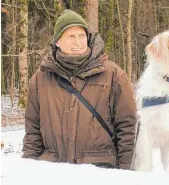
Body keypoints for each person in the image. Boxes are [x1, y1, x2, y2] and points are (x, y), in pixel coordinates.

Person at [22, 9, 138, 170]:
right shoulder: (40, 78)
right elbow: (33, 131)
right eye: (71, 36)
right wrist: (27, 169)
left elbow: (127, 127)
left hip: (100, 169)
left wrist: (126, 173)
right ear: (57, 42)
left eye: (81, 36)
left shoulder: (113, 74)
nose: (78, 42)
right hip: (52, 169)